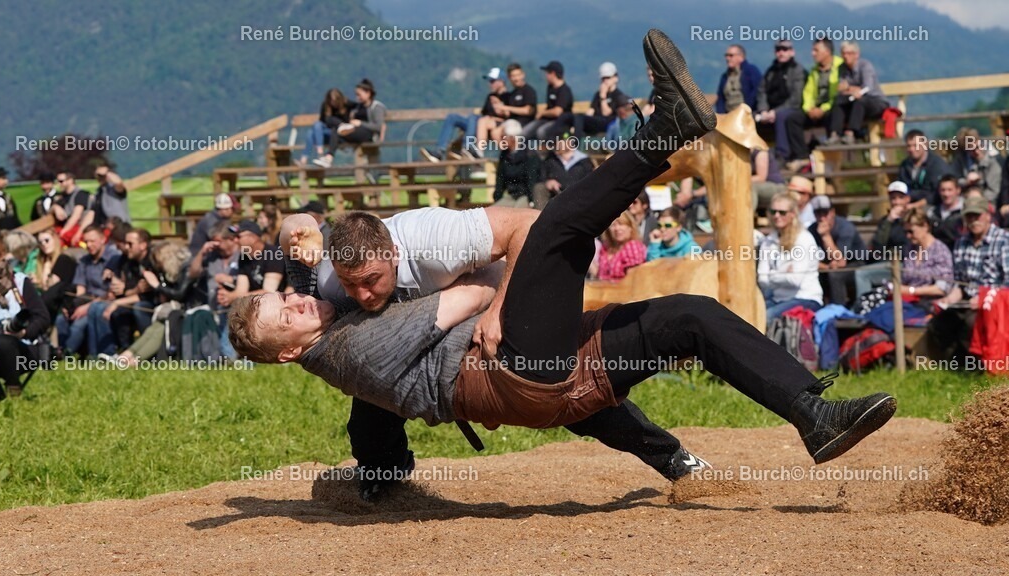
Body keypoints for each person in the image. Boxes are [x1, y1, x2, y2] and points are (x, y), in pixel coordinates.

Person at [229, 29, 896, 479]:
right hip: (513, 372)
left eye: (281, 294)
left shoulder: (340, 290)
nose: (293, 300)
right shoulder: (348, 350)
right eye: (281, 316)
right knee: (551, 234)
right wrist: (494, 302)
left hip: (541, 372)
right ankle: (664, 130)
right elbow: (468, 298)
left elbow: (320, 249)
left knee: (690, 315)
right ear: (290, 353)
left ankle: (815, 417)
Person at [929, 195, 1009, 361]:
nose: (973, 221)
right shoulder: (961, 243)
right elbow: (959, 283)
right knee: (939, 323)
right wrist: (946, 300)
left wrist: (983, 297)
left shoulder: (1003, 240)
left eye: (977, 216)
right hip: (967, 298)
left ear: (988, 215)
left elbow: (1007, 283)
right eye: (969, 216)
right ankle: (958, 363)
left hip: (995, 301)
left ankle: (981, 364)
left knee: (970, 324)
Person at [0, 228, 50, 401]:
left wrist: (22, 332)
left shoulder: (18, 282)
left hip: (20, 350)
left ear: (1, 255)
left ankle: (14, 393)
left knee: (3, 341)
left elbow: (42, 317)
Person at [113, 240, 196, 366]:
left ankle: (135, 361)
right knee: (154, 328)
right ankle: (125, 356)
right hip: (173, 312)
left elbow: (179, 294)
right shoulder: (168, 274)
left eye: (158, 261)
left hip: (189, 311)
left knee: (161, 328)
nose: (158, 265)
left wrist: (156, 285)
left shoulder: (186, 269)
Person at [759, 192, 823, 321]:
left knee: (766, 317)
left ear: (793, 214)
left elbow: (795, 280)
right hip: (777, 298)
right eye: (773, 211)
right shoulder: (768, 241)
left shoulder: (804, 239)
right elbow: (761, 279)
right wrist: (783, 272)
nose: (777, 216)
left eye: (782, 212)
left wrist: (771, 274)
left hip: (805, 298)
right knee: (746, 317)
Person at [58, 226, 120, 358]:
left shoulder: (114, 259)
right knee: (61, 319)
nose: (89, 245)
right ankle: (60, 350)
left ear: (103, 240)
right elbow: (81, 289)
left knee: (79, 325)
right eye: (86, 242)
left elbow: (112, 293)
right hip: (87, 300)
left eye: (93, 241)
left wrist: (87, 307)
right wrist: (74, 306)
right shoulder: (84, 261)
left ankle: (66, 355)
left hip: (106, 301)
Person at [422, 68, 507, 162]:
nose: (490, 84)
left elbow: (508, 118)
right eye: (490, 81)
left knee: (473, 117)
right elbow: (484, 113)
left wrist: (499, 108)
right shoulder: (490, 96)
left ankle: (467, 147)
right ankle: (439, 151)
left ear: (501, 81)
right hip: (476, 124)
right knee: (452, 117)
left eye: (492, 81)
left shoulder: (508, 97)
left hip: (491, 126)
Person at [784, 38, 843, 168]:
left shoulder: (840, 67)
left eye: (816, 50)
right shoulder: (814, 71)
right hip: (814, 111)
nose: (813, 53)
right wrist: (809, 109)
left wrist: (823, 109)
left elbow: (837, 95)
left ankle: (831, 158)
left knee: (835, 113)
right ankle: (802, 156)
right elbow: (808, 93)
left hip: (831, 109)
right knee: (792, 119)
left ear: (827, 51)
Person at [188, 221, 240, 359]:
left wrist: (231, 280)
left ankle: (230, 359)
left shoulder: (243, 256)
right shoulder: (212, 256)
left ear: (232, 239)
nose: (216, 246)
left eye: (219, 242)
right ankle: (217, 359)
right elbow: (192, 273)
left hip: (236, 308)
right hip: (213, 307)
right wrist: (202, 252)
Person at [807, 195, 866, 306]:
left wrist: (825, 236)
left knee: (835, 275)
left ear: (832, 212)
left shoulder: (846, 227)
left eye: (825, 213)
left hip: (856, 263)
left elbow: (840, 261)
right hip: (828, 265)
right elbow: (808, 260)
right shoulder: (811, 230)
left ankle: (838, 310)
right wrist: (826, 267)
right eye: (818, 213)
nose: (822, 218)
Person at [315, 79, 386, 169]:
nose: (357, 97)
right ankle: (328, 158)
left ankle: (328, 158)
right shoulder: (359, 106)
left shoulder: (377, 107)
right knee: (335, 130)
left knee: (337, 131)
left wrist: (360, 123)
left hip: (368, 134)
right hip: (355, 133)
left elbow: (378, 127)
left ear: (368, 93)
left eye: (359, 94)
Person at [827, 41, 888, 144]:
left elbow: (867, 88)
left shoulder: (865, 66)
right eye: (843, 53)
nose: (846, 56)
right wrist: (851, 90)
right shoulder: (841, 68)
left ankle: (851, 134)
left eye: (849, 53)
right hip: (854, 102)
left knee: (860, 101)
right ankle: (834, 134)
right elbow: (842, 90)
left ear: (856, 54)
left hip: (875, 102)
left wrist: (849, 88)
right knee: (838, 101)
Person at [755, 39, 806, 161]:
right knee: (750, 117)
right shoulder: (771, 71)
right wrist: (763, 110)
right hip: (769, 110)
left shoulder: (798, 70)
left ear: (792, 52)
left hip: (790, 109)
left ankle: (782, 154)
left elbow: (796, 98)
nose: (781, 52)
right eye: (778, 50)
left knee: (782, 116)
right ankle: (753, 154)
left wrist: (775, 112)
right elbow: (762, 91)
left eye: (785, 49)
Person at [899, 208, 953, 310]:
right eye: (906, 232)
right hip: (907, 300)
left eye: (911, 231)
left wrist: (912, 290)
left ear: (925, 226)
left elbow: (942, 288)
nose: (908, 236)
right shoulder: (909, 250)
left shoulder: (939, 250)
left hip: (928, 303)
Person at [533, 133, 593, 210]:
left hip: (577, 197)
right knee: (539, 187)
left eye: (559, 142)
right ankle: (541, 217)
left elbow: (590, 182)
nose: (555, 146)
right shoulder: (550, 160)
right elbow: (541, 177)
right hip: (555, 196)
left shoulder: (584, 161)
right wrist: (548, 182)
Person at [230, 219, 285, 301]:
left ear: (253, 237)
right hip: (256, 304)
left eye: (238, 236)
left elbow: (269, 292)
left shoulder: (273, 254)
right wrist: (228, 297)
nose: (235, 240)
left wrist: (235, 297)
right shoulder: (244, 257)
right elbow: (241, 290)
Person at [521, 61, 573, 145]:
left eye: (547, 73)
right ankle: (524, 155)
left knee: (542, 132)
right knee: (525, 132)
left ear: (553, 73)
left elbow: (557, 112)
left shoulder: (564, 91)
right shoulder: (550, 88)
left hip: (561, 122)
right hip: (547, 120)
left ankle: (547, 156)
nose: (546, 76)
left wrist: (542, 113)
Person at [897, 129, 952, 209]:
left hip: (933, 206)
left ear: (925, 144)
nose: (912, 149)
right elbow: (901, 186)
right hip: (908, 204)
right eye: (909, 146)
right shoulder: (905, 165)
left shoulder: (937, 164)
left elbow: (937, 193)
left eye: (916, 145)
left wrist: (915, 206)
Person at [492, 120, 539, 208]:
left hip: (526, 196)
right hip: (511, 196)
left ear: (512, 138)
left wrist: (531, 200)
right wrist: (497, 199)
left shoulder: (529, 154)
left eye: (503, 136)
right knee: (493, 212)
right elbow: (500, 178)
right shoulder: (504, 154)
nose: (501, 139)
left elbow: (531, 180)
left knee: (517, 212)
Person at [33, 228, 77, 322]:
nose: (44, 244)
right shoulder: (44, 262)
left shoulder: (63, 259)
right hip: (52, 306)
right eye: (40, 242)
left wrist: (46, 268)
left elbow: (49, 287)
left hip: (63, 306)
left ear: (55, 240)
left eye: (47, 240)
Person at [299, 88, 350, 167]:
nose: (333, 103)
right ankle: (305, 160)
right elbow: (323, 121)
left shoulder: (345, 106)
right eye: (331, 101)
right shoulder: (325, 106)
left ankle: (314, 156)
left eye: (335, 100)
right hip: (325, 134)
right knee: (312, 131)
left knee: (313, 130)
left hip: (337, 135)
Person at [572, 62, 624, 139]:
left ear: (615, 78)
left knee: (580, 118)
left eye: (608, 77)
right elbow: (591, 111)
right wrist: (578, 124)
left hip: (609, 123)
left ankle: (575, 145)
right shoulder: (598, 94)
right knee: (575, 118)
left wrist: (603, 96)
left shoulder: (618, 95)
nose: (605, 81)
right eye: (603, 78)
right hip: (597, 122)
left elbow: (606, 113)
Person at [488, 63, 537, 142]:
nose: (516, 78)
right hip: (510, 122)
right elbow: (508, 114)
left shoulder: (528, 91)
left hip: (524, 124)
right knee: (494, 132)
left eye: (518, 75)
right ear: (509, 78)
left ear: (523, 75)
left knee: (508, 131)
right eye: (513, 76)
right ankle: (507, 153)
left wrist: (505, 107)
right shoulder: (512, 94)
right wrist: (498, 105)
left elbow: (527, 110)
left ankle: (514, 152)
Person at [593, 213, 646, 281]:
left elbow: (634, 279)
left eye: (621, 224)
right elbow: (599, 275)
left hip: (622, 290)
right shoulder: (606, 248)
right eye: (613, 225)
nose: (617, 228)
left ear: (630, 227)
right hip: (602, 289)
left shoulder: (632, 246)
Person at [871, 181, 914, 255]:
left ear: (908, 199)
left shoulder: (913, 218)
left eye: (901, 198)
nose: (896, 202)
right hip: (889, 259)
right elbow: (878, 246)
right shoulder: (885, 221)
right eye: (893, 198)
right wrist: (889, 221)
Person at [716, 44, 761, 114]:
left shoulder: (751, 71)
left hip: (747, 114)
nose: (727, 58)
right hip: (728, 115)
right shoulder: (724, 77)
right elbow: (721, 98)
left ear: (741, 56)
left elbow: (757, 91)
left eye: (731, 55)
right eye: (726, 55)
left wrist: (746, 110)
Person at [927, 175, 965, 249]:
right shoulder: (932, 213)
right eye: (943, 190)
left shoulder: (964, 212)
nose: (946, 194)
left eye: (950, 190)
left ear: (958, 190)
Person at [53, 172, 91, 246]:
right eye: (57, 181)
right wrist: (55, 207)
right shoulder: (61, 197)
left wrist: (63, 232)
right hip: (66, 231)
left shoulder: (81, 194)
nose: (58, 184)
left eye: (61, 181)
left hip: (78, 231)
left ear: (70, 180)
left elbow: (76, 216)